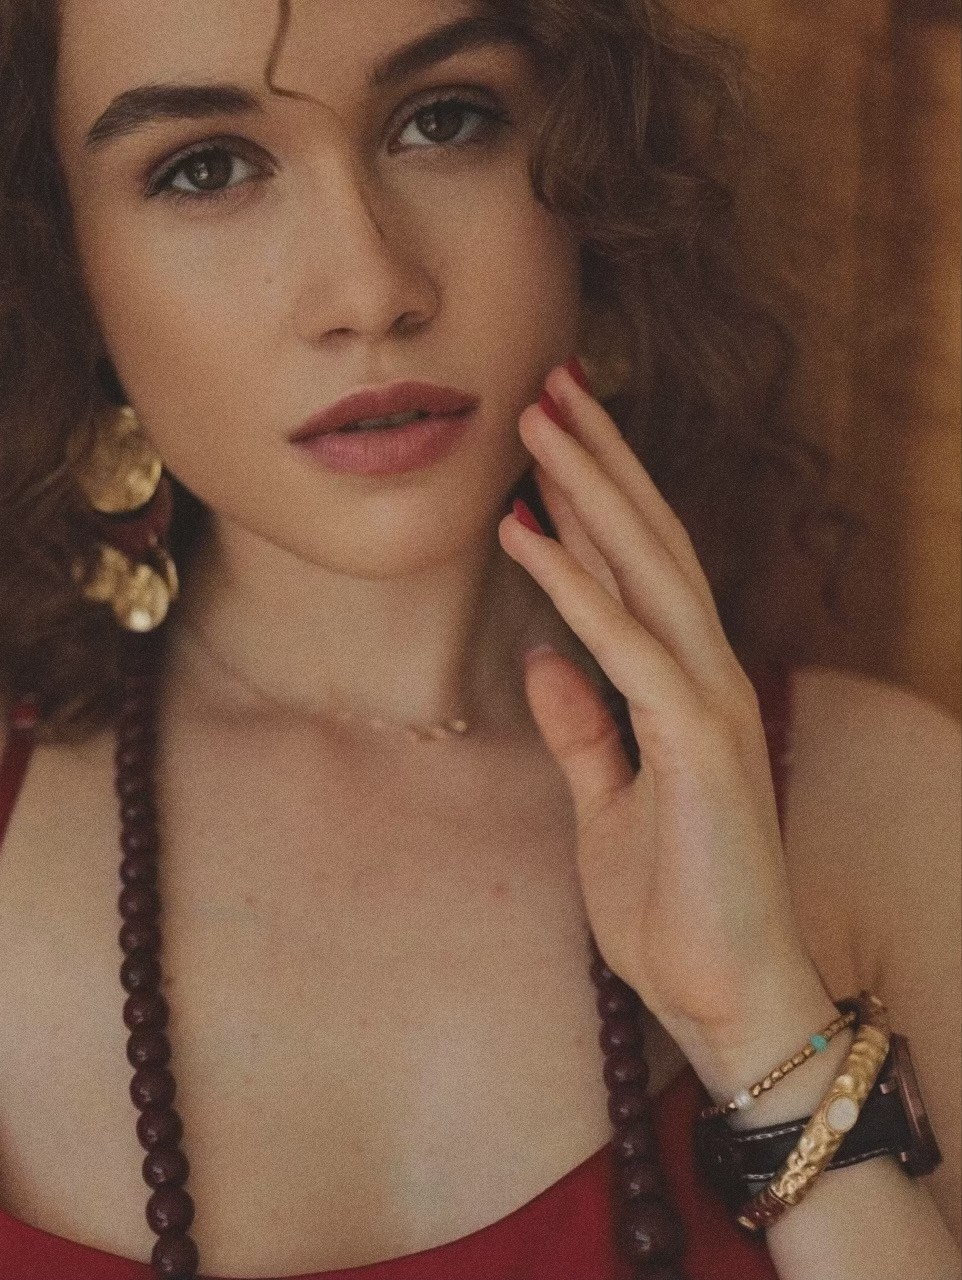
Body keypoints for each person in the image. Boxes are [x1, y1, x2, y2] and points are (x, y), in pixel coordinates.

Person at [0, 1, 958, 1278]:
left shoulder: (880, 812)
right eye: (205, 168)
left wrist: (759, 1026)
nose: (369, 290)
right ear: (60, 262)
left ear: (593, 178)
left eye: (444, 120)